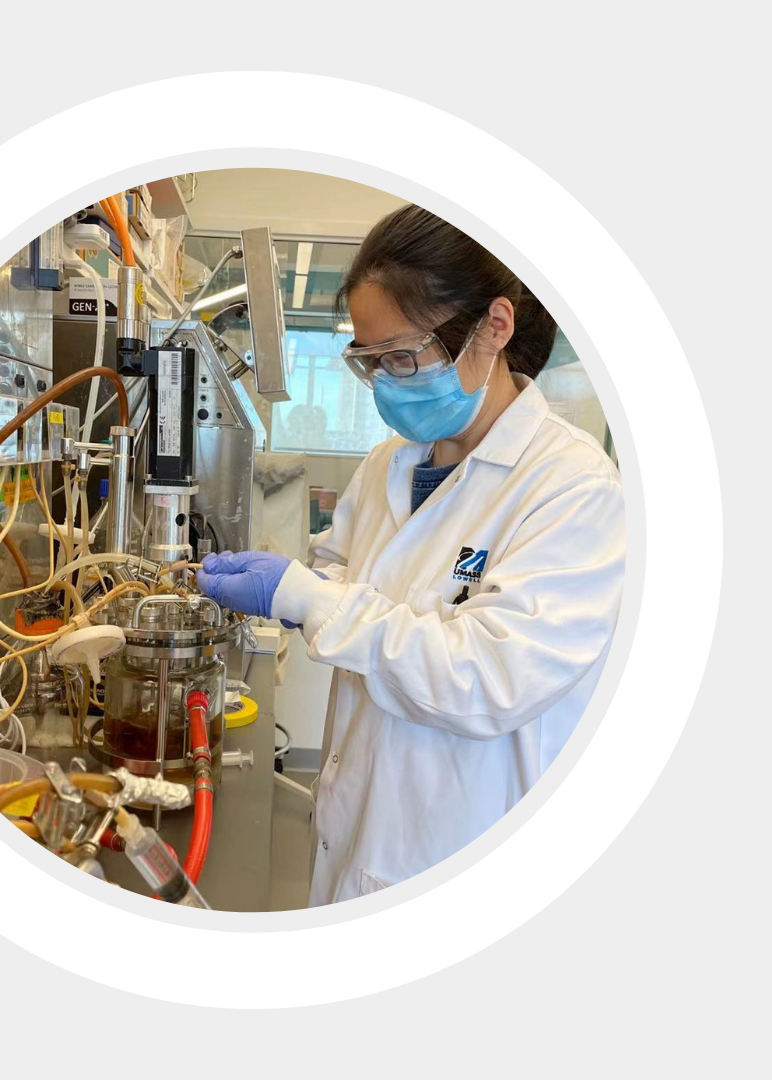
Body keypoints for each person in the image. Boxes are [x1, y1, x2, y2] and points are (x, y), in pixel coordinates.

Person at [196, 205, 625, 906]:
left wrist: (309, 598)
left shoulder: (572, 488)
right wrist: (297, 580)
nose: (388, 383)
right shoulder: (389, 466)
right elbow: (342, 573)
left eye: (401, 357)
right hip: (356, 823)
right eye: (370, 362)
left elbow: (490, 676)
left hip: (453, 851)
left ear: (494, 326)